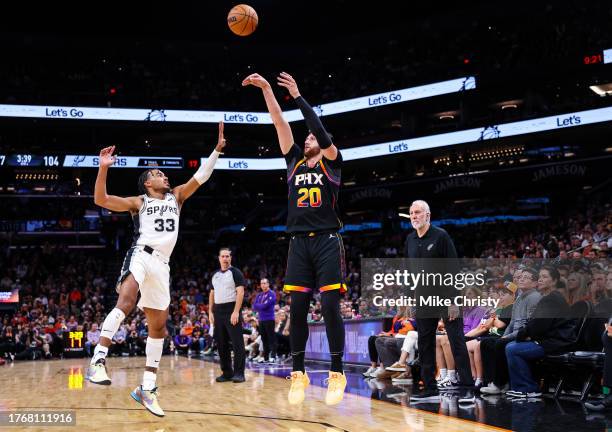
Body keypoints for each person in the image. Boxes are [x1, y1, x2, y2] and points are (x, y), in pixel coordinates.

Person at [86, 122, 226, 417]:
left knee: (158, 327)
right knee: (125, 301)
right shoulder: (139, 202)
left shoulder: (177, 196)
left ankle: (147, 388)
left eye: (163, 174)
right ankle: (98, 360)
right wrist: (103, 168)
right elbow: (101, 199)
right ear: (148, 183)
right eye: (158, 174)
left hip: (163, 265)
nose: (164, 176)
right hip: (141, 254)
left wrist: (216, 150)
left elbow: (201, 175)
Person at [243, 72, 347, 405]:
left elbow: (318, 130)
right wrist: (268, 91)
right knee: (298, 308)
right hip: (298, 243)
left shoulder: (333, 163)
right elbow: (278, 122)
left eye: (312, 139)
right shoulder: (293, 163)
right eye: (305, 140)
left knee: (330, 307)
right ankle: (298, 373)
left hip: (328, 241)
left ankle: (336, 372)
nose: (307, 141)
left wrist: (299, 97)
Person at [404, 200, 474, 403]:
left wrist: (454, 300)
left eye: (418, 212)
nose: (414, 216)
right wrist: (410, 300)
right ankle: (430, 389)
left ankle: (467, 389)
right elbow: (409, 274)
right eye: (411, 213)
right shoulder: (409, 239)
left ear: (428, 215)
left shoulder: (441, 236)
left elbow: (453, 269)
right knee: (425, 343)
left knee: (456, 341)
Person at [209, 248, 247, 383]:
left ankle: (239, 373)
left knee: (237, 344)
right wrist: (210, 312)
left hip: (231, 309)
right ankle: (227, 372)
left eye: (227, 256)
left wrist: (236, 311)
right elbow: (212, 294)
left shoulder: (235, 273)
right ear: (219, 258)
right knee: (221, 343)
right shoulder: (215, 275)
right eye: (223, 256)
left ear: (230, 258)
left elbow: (240, 292)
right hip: (218, 311)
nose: (225, 258)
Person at [252, 278, 278, 362]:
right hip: (261, 319)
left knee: (271, 338)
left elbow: (266, 306)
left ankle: (273, 356)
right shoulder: (259, 295)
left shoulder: (272, 294)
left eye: (264, 283)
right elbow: (254, 306)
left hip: (269, 319)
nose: (262, 285)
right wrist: (261, 305)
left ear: (268, 284)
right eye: (261, 283)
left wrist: (260, 305)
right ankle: (265, 357)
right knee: (264, 339)